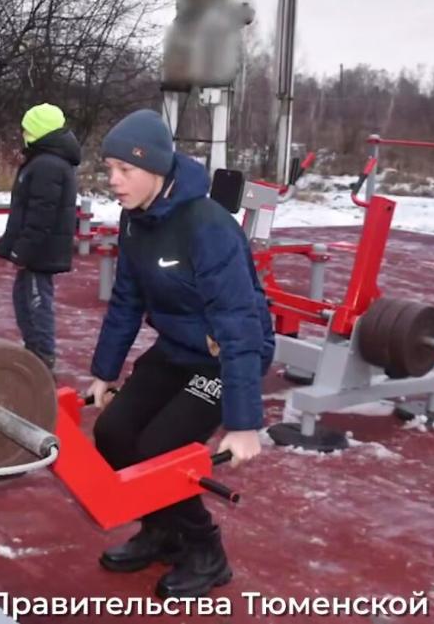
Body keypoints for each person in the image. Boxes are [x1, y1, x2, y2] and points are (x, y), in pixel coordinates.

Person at [85, 109, 275, 599]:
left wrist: (244, 421)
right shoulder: (136, 221)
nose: (114, 181)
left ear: (156, 169)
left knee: (160, 451)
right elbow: (126, 300)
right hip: (177, 348)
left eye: (124, 170)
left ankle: (206, 552)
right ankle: (161, 529)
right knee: (113, 431)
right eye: (109, 170)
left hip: (226, 355)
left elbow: (239, 321)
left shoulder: (206, 225)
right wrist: (104, 373)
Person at [0, 103, 81, 372]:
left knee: (36, 302)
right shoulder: (43, 160)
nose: (23, 133)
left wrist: (23, 250)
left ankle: (43, 356)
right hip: (38, 248)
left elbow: (41, 213)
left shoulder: (47, 165)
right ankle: (34, 350)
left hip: (40, 251)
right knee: (24, 299)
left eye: (27, 129)